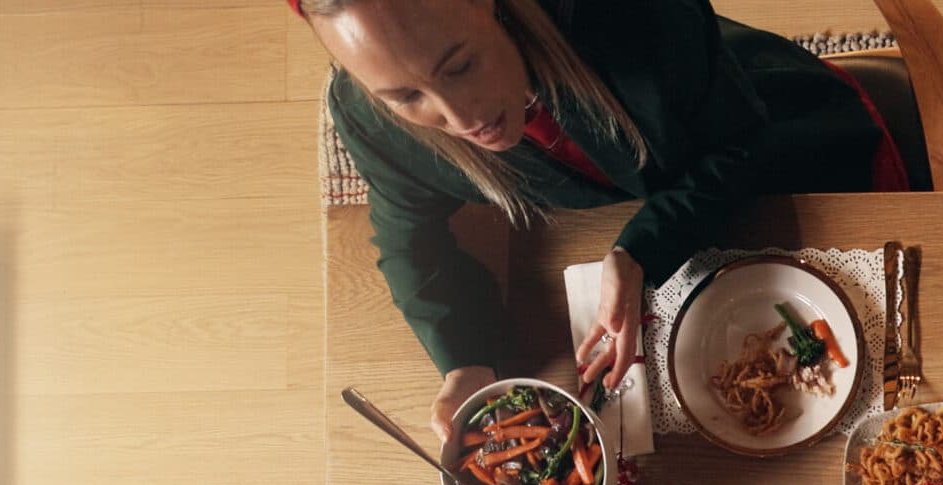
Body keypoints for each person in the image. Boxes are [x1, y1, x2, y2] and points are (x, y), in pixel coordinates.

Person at [300, 0, 907, 439]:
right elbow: (412, 244)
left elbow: (744, 145)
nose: (462, 117)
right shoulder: (366, 120)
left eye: (461, 65)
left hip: (775, 146)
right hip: (620, 198)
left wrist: (643, 246)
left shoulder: (629, 13)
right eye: (405, 98)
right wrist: (464, 359)